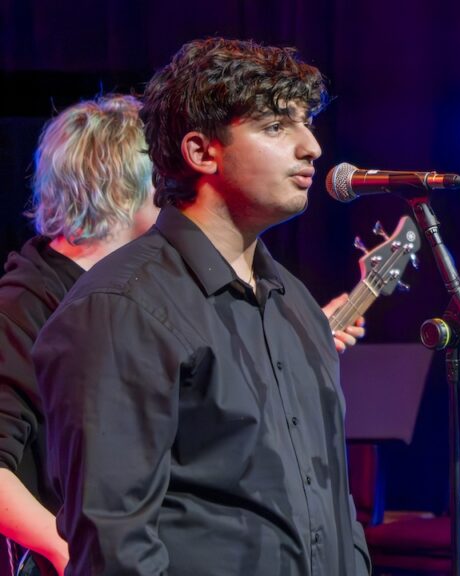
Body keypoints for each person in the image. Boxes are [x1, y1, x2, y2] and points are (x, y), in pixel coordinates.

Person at [32, 39, 370, 575]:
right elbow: (114, 542)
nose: (312, 147)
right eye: (277, 126)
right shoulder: (120, 306)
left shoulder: (296, 305)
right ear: (201, 152)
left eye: (306, 123)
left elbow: (332, 498)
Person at [0, 94, 159, 576]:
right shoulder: (24, 305)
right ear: (124, 188)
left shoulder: (125, 294)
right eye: (163, 178)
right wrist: (66, 551)